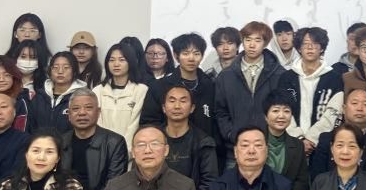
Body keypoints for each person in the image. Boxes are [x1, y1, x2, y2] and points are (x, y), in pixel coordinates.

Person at [214, 21, 289, 150]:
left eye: (257, 40)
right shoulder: (226, 76)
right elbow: (220, 110)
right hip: (236, 145)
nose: (252, 45)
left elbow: (286, 109)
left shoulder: (279, 74)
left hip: (271, 145)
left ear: (265, 43)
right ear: (242, 42)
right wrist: (231, 133)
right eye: (248, 40)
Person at [59, 89, 129, 190]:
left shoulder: (115, 142)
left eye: (88, 108)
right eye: (75, 109)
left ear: (98, 112)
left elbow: (113, 186)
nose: (82, 113)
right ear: (69, 115)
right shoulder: (61, 141)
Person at [140, 32, 216, 138]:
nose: (191, 58)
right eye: (185, 53)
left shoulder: (210, 85)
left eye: (196, 53)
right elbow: (149, 122)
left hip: (204, 145)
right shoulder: (159, 87)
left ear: (202, 56)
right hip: (169, 144)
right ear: (176, 56)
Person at [283, 25, 344, 154]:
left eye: (315, 43)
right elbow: (282, 109)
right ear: (299, 48)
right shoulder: (287, 77)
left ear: (322, 48)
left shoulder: (334, 78)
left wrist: (312, 139)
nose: (310, 47)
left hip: (323, 144)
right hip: (291, 144)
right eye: (305, 44)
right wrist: (298, 138)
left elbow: (333, 112)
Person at [161, 85, 219, 190]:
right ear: (164, 108)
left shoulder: (204, 142)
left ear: (192, 108)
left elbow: (209, 182)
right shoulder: (152, 139)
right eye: (172, 101)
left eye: (183, 101)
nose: (177, 106)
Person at [262, 92, 310, 190]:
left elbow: (302, 181)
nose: (281, 116)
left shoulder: (298, 145)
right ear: (265, 116)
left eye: (286, 111)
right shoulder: (255, 142)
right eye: (275, 110)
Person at [95, 42, 148, 147]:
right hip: (102, 149)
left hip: (130, 149)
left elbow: (134, 124)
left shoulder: (141, 90)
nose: (116, 64)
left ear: (130, 62)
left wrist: (123, 149)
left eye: (122, 60)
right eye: (112, 60)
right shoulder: (98, 91)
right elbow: (97, 123)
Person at [0, 55, 35, 132]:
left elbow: (22, 132)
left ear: (14, 77)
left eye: (7, 75)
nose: (1, 79)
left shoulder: (22, 101)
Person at [39, 51, 87, 133]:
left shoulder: (82, 97)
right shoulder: (39, 97)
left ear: (74, 71)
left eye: (66, 67)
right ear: (50, 70)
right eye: (55, 67)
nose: (60, 71)